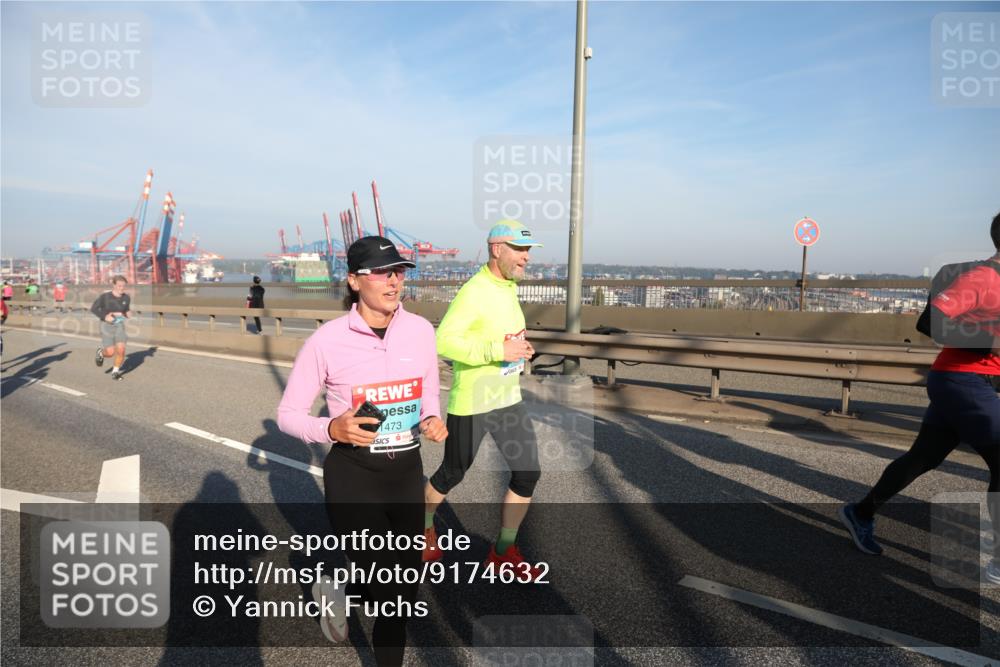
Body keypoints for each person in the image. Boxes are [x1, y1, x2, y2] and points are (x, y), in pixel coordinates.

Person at [277, 236, 447, 666]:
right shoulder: (327, 340)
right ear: (354, 280)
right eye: (381, 272)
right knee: (390, 591)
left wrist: (430, 417)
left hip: (406, 472)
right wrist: (332, 427)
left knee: (401, 591)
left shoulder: (421, 330)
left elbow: (427, 387)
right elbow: (288, 414)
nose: (394, 281)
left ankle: (339, 590)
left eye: (399, 272)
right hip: (354, 475)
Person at [840, 211, 1000, 582]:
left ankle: (860, 513)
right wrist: (990, 341)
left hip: (975, 383)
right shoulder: (982, 278)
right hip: (962, 381)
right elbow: (930, 322)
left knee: (923, 458)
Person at [422, 219, 544, 578]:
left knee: (527, 473)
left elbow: (504, 334)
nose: (525, 258)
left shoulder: (507, 287)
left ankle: (503, 551)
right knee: (451, 474)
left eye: (528, 251)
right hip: (474, 401)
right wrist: (497, 349)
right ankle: (424, 526)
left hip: (507, 398)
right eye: (519, 250)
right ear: (496, 250)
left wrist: (520, 348)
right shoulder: (474, 290)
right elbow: (443, 341)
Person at [90, 275, 132, 381]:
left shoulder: (126, 298)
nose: (121, 288)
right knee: (110, 352)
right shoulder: (105, 297)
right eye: (119, 286)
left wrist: (128, 313)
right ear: (114, 285)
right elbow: (94, 308)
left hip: (119, 325)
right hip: (106, 325)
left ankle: (115, 372)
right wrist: (105, 316)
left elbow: (126, 310)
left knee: (121, 350)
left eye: (123, 286)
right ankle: (101, 353)